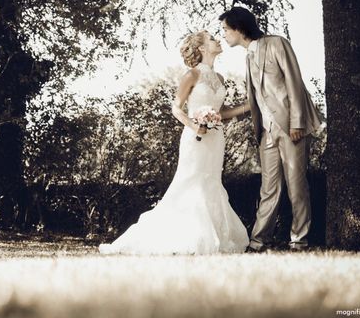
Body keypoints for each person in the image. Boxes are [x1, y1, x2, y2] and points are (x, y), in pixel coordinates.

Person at [99, 31, 249, 255]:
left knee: (212, 182)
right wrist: (194, 124)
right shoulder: (192, 75)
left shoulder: (220, 79)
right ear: (201, 48)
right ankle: (185, 235)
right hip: (195, 137)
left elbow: (223, 112)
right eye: (212, 39)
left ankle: (216, 235)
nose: (218, 40)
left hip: (216, 138)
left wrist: (248, 106)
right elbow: (176, 108)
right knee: (190, 182)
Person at [220, 7, 322, 252]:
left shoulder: (277, 44)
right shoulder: (247, 58)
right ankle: (258, 241)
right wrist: (224, 114)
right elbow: (256, 101)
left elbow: (294, 82)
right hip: (267, 132)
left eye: (225, 29)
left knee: (297, 185)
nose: (223, 35)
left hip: (290, 127)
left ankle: (299, 240)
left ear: (239, 28)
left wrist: (297, 122)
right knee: (269, 188)